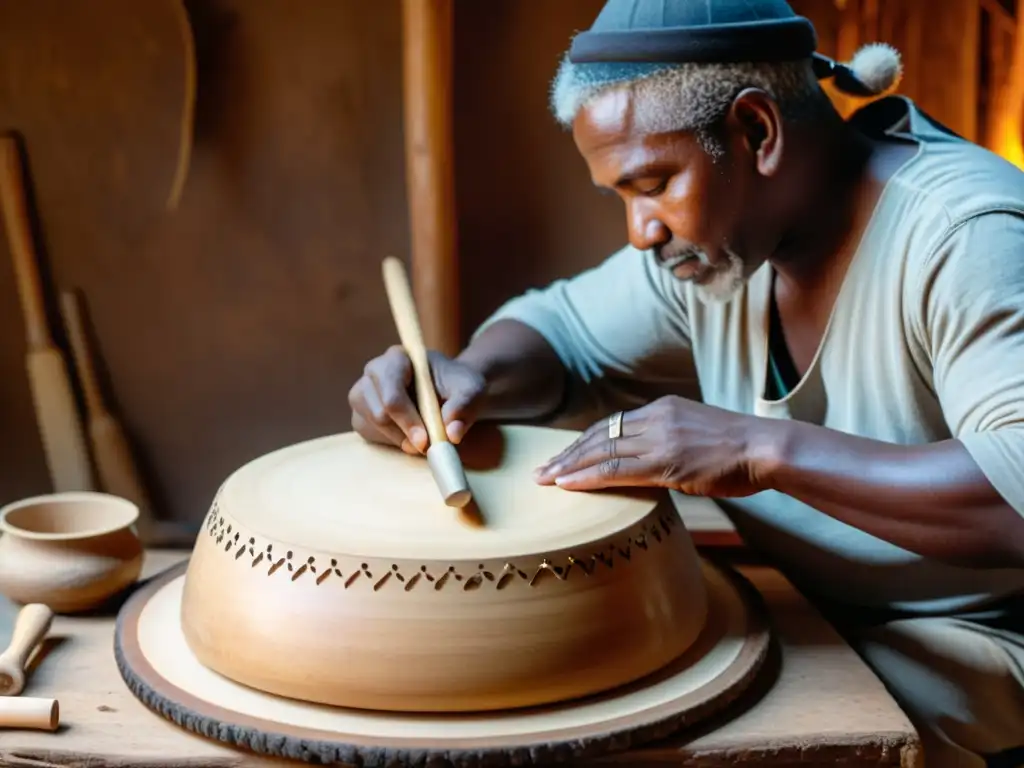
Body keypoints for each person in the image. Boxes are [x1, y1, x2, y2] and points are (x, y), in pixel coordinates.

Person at [349, 0, 1024, 764]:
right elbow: (558, 332)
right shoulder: (722, 248)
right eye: (622, 196)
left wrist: (757, 450)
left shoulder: (965, 236)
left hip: (986, 635)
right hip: (821, 613)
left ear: (757, 132)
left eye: (653, 184)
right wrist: (468, 377)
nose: (641, 230)